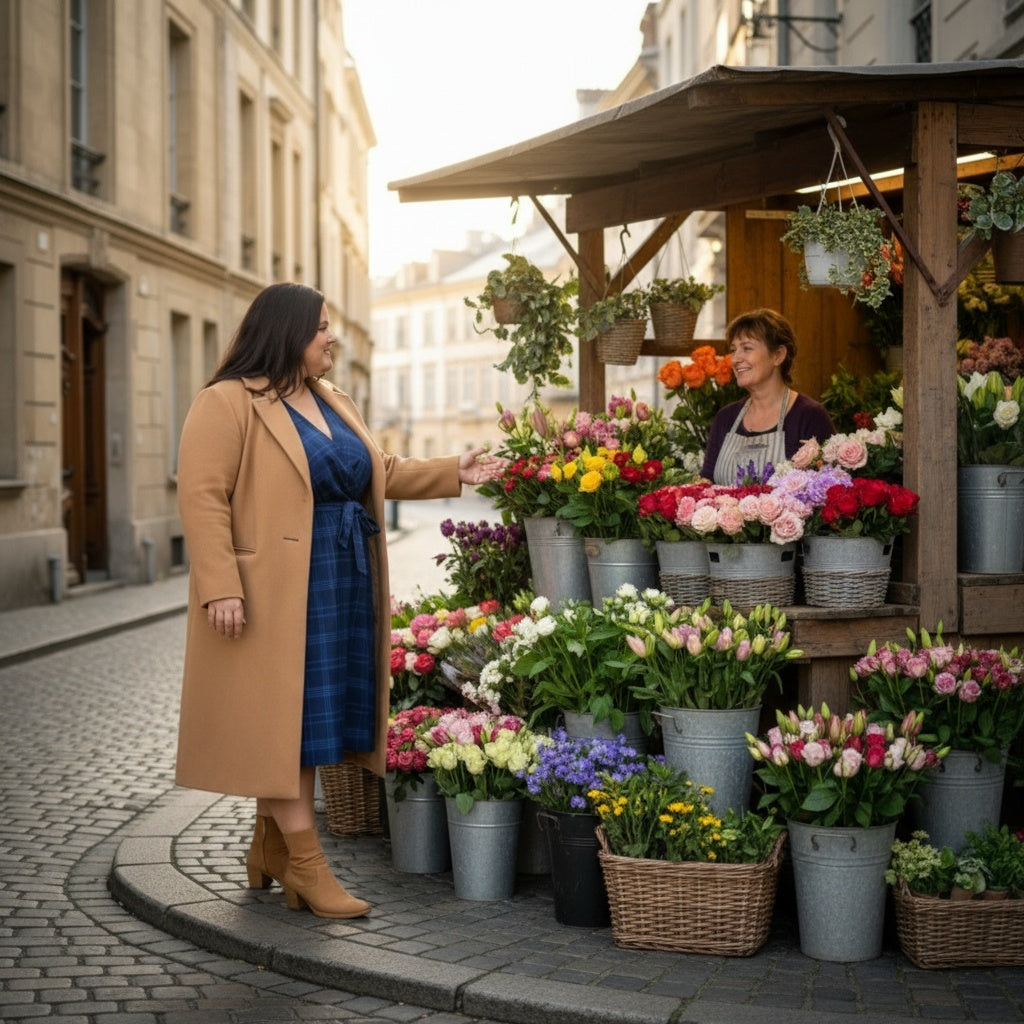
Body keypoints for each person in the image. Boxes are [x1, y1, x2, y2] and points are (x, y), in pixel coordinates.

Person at [174, 282, 503, 920]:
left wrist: (451, 471)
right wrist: (220, 586)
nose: (333, 337)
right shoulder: (225, 403)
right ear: (289, 332)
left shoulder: (334, 399)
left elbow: (376, 469)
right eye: (322, 327)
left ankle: (270, 848)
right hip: (271, 588)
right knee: (288, 725)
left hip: (340, 579)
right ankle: (306, 864)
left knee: (315, 718)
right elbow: (203, 496)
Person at [700, 308, 834, 485]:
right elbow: (707, 481)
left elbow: (828, 487)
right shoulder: (726, 418)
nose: (735, 359)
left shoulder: (809, 416)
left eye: (747, 348)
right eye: (733, 350)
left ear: (778, 355)